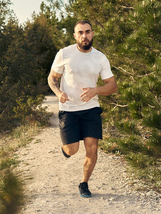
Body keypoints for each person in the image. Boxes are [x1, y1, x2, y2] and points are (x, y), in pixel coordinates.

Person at [48, 20, 117, 198]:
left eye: (87, 32)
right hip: (68, 108)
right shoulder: (64, 54)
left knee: (92, 148)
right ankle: (66, 149)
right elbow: (52, 78)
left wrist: (96, 90)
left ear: (92, 34)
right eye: (80, 33)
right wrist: (58, 93)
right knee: (72, 150)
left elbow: (112, 86)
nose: (84, 36)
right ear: (75, 35)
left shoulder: (100, 57)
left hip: (91, 108)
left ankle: (84, 183)